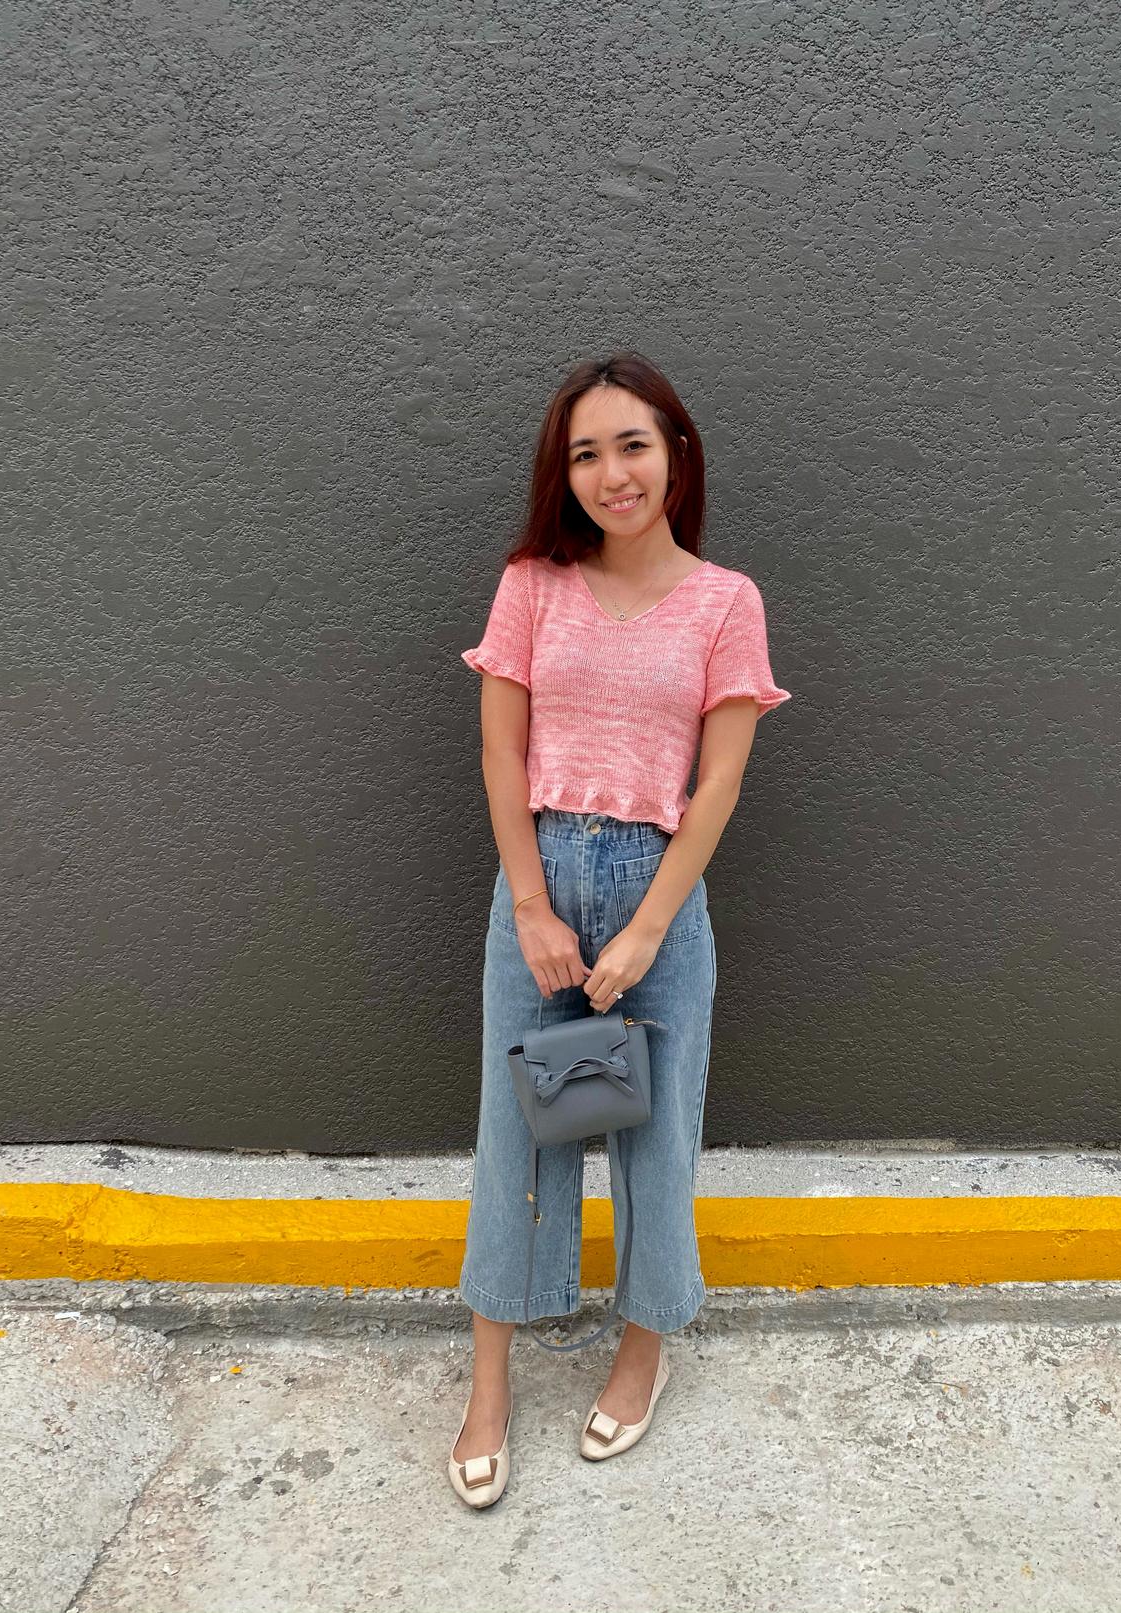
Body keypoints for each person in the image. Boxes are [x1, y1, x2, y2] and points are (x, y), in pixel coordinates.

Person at [449, 350, 791, 1508]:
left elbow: (720, 782)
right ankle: (488, 1387)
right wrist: (532, 906)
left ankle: (641, 1352)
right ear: (565, 473)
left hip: (660, 889)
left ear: (675, 453)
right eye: (585, 453)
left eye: (631, 444)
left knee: (657, 1138)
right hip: (538, 880)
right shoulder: (531, 585)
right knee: (517, 1133)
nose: (611, 473)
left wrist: (647, 927)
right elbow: (501, 750)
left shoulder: (725, 601)